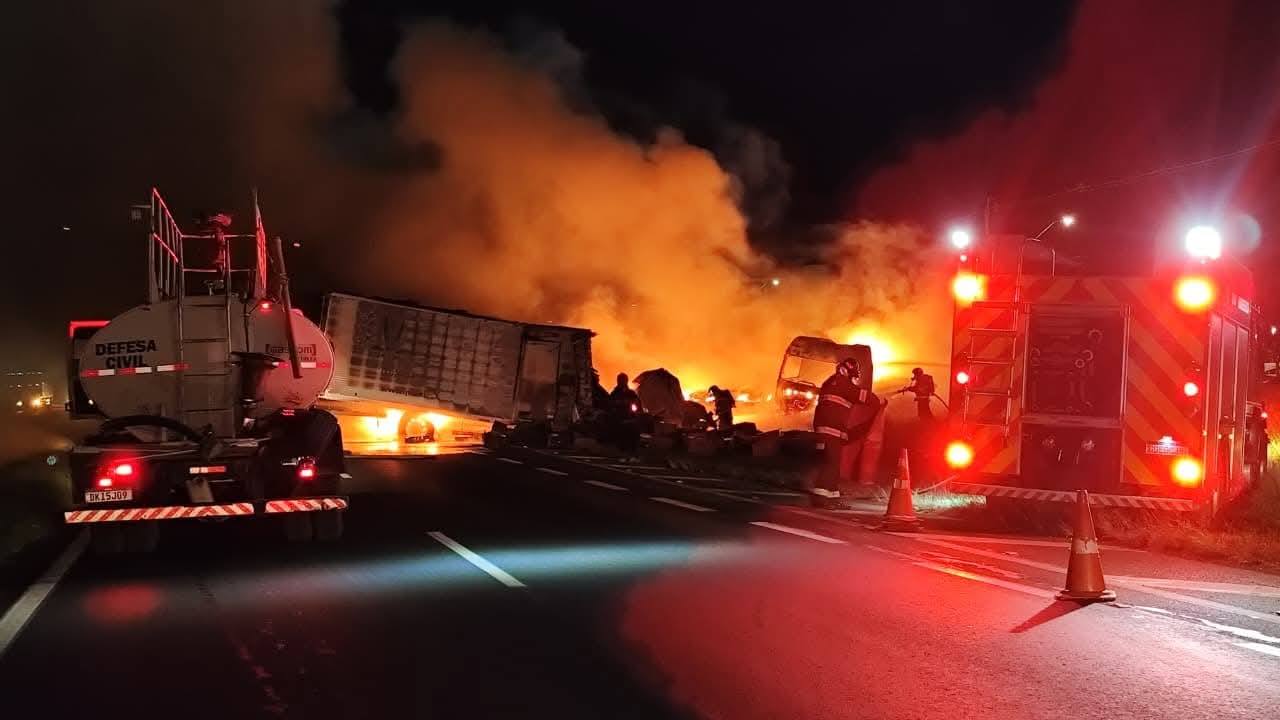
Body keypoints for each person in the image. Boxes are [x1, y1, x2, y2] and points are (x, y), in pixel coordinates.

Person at [811, 358, 873, 508]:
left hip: (822, 430)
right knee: (831, 465)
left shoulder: (828, 383)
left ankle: (828, 498)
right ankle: (824, 500)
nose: (854, 380)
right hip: (832, 431)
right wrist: (880, 401)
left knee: (828, 464)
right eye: (853, 376)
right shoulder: (844, 385)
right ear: (846, 371)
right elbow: (864, 397)